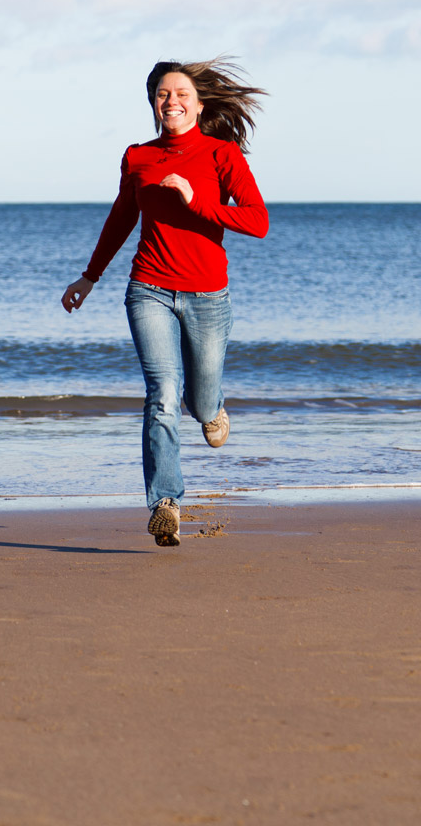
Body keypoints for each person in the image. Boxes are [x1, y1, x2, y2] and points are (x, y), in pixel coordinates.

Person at [61, 58, 268, 547]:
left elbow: (257, 221)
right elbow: (120, 218)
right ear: (153, 103)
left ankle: (213, 406)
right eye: (161, 94)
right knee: (162, 391)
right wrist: (89, 277)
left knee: (197, 400)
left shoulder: (222, 155)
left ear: (198, 104)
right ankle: (166, 504)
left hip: (207, 294)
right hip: (149, 288)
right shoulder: (138, 157)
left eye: (180, 93)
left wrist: (198, 202)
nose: (170, 101)